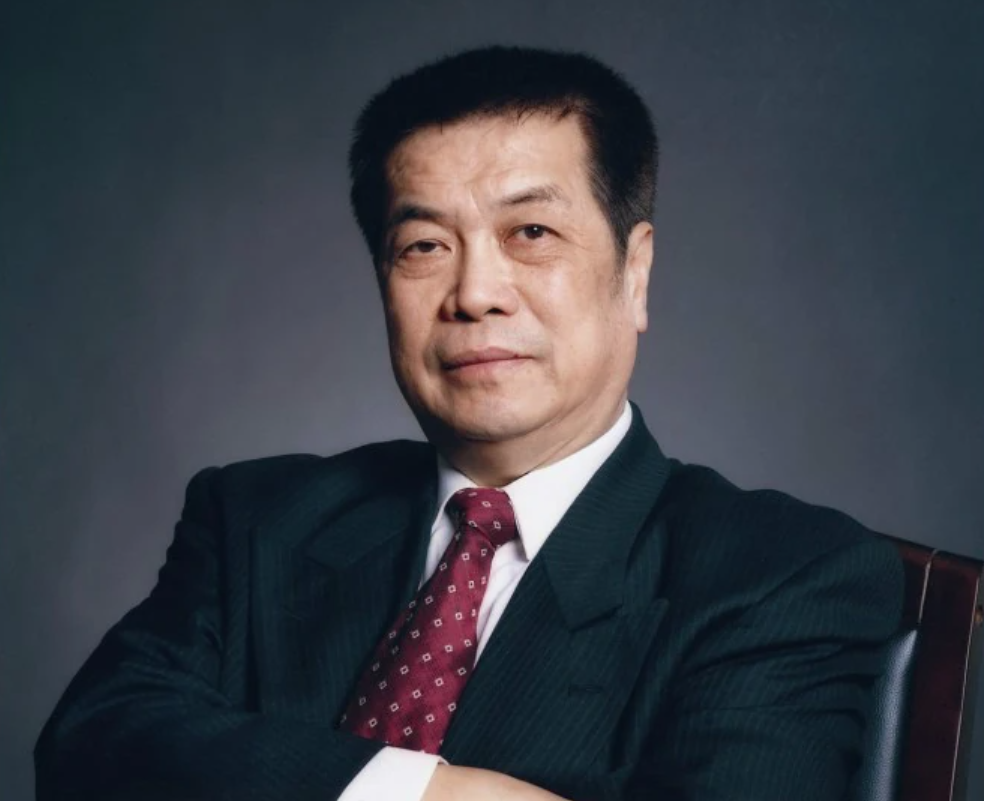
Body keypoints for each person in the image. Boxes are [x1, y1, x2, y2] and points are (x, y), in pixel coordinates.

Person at [34, 46, 902, 801]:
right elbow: (88, 745)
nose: (475, 293)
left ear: (634, 274)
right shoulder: (256, 518)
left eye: (532, 231)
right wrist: (421, 789)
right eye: (424, 246)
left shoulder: (780, 575)